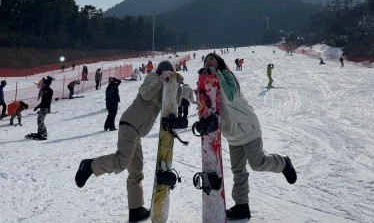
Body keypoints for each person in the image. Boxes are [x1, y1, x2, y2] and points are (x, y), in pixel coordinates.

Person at [75, 61, 183, 223]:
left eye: (171, 72)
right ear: (160, 71)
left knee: (136, 171)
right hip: (130, 124)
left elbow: (175, 103)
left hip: (137, 132)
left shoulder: (164, 87)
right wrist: (161, 79)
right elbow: (145, 94)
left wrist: (177, 85)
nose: (168, 74)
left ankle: (136, 209)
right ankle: (90, 165)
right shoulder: (152, 78)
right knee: (121, 162)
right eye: (166, 71)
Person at [200, 53, 297, 220]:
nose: (208, 62)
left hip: (247, 127)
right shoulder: (209, 83)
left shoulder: (226, 75)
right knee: (238, 171)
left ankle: (283, 162)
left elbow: (229, 97)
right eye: (206, 60)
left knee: (257, 163)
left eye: (212, 59)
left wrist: (216, 75)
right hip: (232, 135)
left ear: (219, 62)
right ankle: (242, 206)